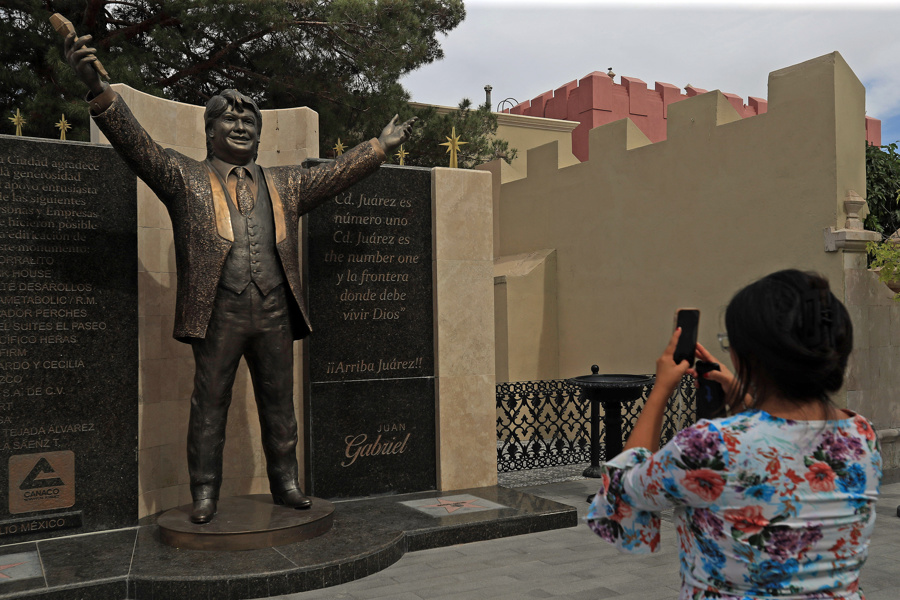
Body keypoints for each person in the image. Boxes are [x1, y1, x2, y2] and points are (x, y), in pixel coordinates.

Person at [64, 32, 415, 524]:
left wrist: (378, 146)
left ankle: (286, 484)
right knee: (209, 404)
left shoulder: (285, 183)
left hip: (273, 307)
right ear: (208, 132)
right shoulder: (184, 178)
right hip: (218, 309)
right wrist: (99, 92)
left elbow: (334, 174)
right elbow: (137, 146)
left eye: (250, 119)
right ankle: (204, 492)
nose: (241, 124)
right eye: (230, 117)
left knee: (280, 405)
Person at [587, 269, 882, 599]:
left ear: (748, 357)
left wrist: (661, 390)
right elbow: (778, 440)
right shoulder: (860, 436)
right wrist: (737, 387)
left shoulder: (710, 444)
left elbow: (621, 496)